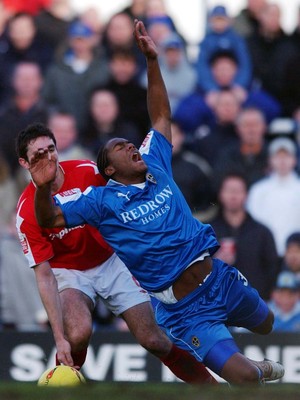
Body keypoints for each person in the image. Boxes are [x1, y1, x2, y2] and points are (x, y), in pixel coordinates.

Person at [30, 19, 284, 385]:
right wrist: (41, 188)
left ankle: (252, 351)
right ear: (108, 169)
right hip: (185, 311)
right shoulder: (101, 200)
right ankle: (258, 368)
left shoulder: (156, 163)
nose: (132, 146)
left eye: (131, 143)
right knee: (245, 377)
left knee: (267, 324)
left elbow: (161, 115)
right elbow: (51, 220)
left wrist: (152, 61)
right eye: (120, 147)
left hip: (220, 279)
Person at [16, 128, 217, 384]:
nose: (48, 159)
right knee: (76, 334)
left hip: (111, 259)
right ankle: (61, 386)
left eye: (51, 150)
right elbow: (44, 276)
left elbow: (128, 195)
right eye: (38, 155)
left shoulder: (88, 171)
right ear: (24, 163)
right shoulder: (26, 213)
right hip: (68, 271)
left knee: (153, 339)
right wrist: (59, 338)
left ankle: (212, 389)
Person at [209, 172, 279, 300]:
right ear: (220, 194)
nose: (233, 195)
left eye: (238, 191)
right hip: (218, 305)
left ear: (246, 195)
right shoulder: (208, 231)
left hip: (255, 304)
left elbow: (273, 270)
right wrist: (214, 262)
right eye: (229, 190)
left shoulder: (262, 232)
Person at [247, 137, 300, 260]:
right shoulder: (258, 190)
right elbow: (253, 222)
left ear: (294, 160)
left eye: (286, 156)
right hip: (265, 254)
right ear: (271, 160)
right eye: (278, 157)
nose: (282, 161)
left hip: (295, 256)